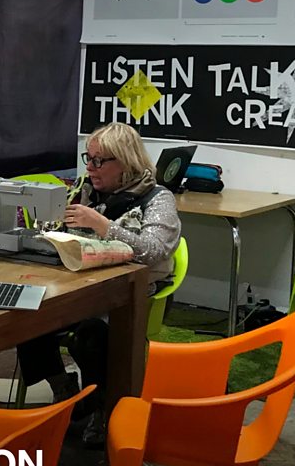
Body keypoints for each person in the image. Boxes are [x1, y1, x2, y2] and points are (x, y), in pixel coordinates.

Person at [16, 122, 181, 447]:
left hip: (131, 293)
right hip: (84, 284)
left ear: (127, 161)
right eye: (88, 158)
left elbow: (153, 250)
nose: (90, 168)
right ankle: (65, 390)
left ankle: (104, 406)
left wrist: (103, 225)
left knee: (93, 335)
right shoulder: (87, 191)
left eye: (99, 161)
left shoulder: (157, 198)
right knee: (27, 312)